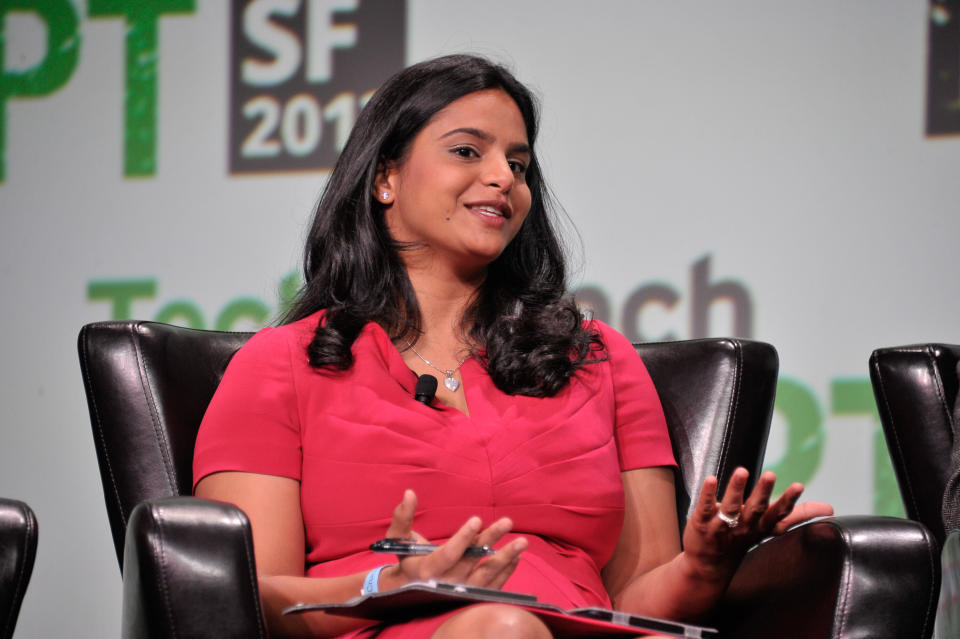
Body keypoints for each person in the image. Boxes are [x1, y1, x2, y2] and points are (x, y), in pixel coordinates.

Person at [193, 54, 832, 638]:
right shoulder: (282, 366)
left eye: (519, 164)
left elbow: (635, 603)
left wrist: (702, 568)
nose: (503, 177)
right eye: (469, 152)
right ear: (385, 177)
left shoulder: (594, 358)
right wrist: (386, 588)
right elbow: (250, 600)